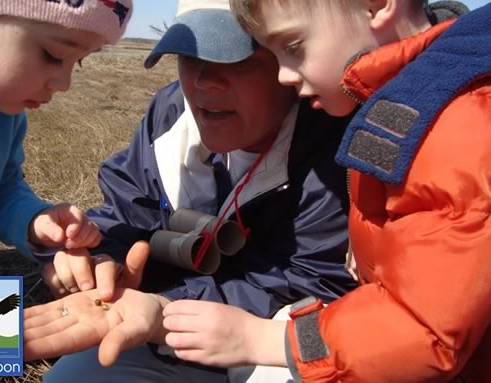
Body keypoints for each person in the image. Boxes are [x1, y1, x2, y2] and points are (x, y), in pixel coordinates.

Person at [157, 0, 491, 382]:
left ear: (377, 5)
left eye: (294, 47)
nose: (283, 74)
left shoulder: (455, 125)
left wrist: (267, 339)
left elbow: (425, 331)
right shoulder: (410, 104)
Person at [26, 0, 357, 381]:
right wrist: (91, 253)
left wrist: (167, 310)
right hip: (165, 329)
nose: (203, 83)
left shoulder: (333, 147)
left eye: (236, 61)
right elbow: (127, 213)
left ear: (288, 63)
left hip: (272, 342)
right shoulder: (172, 113)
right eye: (189, 57)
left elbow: (315, 285)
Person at [0, 0, 133, 381]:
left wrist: (34, 221)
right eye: (53, 55)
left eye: (78, 62)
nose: (64, 83)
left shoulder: (2, 110)